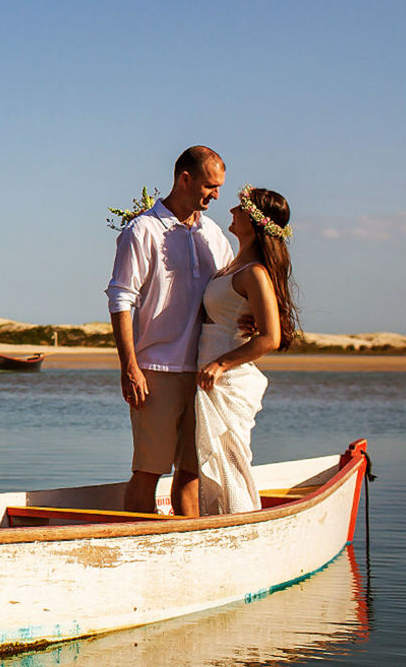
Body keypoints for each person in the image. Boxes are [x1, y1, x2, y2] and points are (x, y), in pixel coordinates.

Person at [107, 146, 235, 516]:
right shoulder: (141, 230)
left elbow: (230, 291)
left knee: (192, 474)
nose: (215, 195)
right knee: (148, 472)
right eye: (210, 186)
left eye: (219, 187)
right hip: (156, 371)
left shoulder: (213, 234)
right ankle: (140, 546)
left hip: (203, 374)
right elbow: (120, 298)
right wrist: (129, 367)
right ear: (185, 179)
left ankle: (185, 552)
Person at [194, 186, 300, 514]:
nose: (231, 212)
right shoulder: (232, 266)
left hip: (227, 380)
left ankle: (241, 528)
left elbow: (271, 336)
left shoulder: (254, 273)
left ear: (255, 222)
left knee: (231, 465)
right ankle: (216, 526)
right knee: (211, 467)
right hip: (211, 378)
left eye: (240, 208)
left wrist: (220, 365)